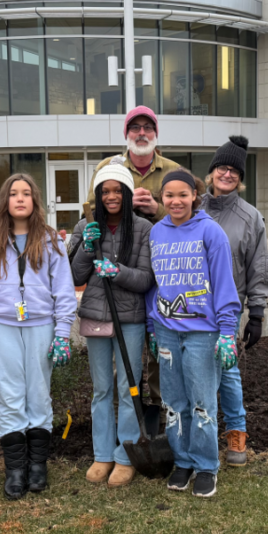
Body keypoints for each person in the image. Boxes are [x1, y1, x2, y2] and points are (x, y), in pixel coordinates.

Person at [0, 173, 77, 500]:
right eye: (13, 193)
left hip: (40, 325)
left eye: (26, 193)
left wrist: (62, 334)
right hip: (1, 327)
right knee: (9, 395)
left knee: (39, 393)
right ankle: (15, 469)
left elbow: (65, 292)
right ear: (5, 201)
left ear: (35, 201)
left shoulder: (51, 241)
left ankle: (38, 465)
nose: (19, 198)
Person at [147, 168, 241, 498]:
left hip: (203, 332)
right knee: (174, 403)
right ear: (162, 198)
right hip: (167, 331)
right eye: (169, 195)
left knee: (202, 403)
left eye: (182, 195)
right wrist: (151, 325)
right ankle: (183, 461)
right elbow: (154, 284)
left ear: (194, 196)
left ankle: (205, 466)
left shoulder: (210, 233)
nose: (176, 201)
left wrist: (228, 332)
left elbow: (224, 285)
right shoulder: (156, 233)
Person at [86, 106, 182, 408]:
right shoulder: (108, 165)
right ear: (126, 134)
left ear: (156, 133)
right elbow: (89, 210)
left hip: (165, 266)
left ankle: (159, 410)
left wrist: (157, 210)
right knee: (123, 347)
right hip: (122, 264)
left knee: (160, 342)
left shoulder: (173, 170)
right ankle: (126, 412)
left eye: (147, 128)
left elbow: (192, 214)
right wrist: (123, 206)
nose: (141, 133)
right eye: (135, 128)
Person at [70, 159, 155, 488]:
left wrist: (117, 272)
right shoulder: (85, 225)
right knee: (102, 389)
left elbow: (146, 279)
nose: (111, 196)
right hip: (95, 316)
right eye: (104, 191)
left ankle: (125, 455)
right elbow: (76, 275)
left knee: (128, 387)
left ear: (128, 193)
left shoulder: (143, 229)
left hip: (129, 318)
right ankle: (102, 454)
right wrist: (87, 247)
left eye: (117, 190)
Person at [202, 136, 268, 467]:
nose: (227, 174)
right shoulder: (193, 208)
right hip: (190, 309)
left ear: (240, 178)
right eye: (222, 168)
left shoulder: (250, 217)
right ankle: (198, 433)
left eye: (234, 171)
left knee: (228, 372)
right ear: (212, 171)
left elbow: (259, 265)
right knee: (193, 372)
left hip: (226, 310)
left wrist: (256, 312)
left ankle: (236, 432)